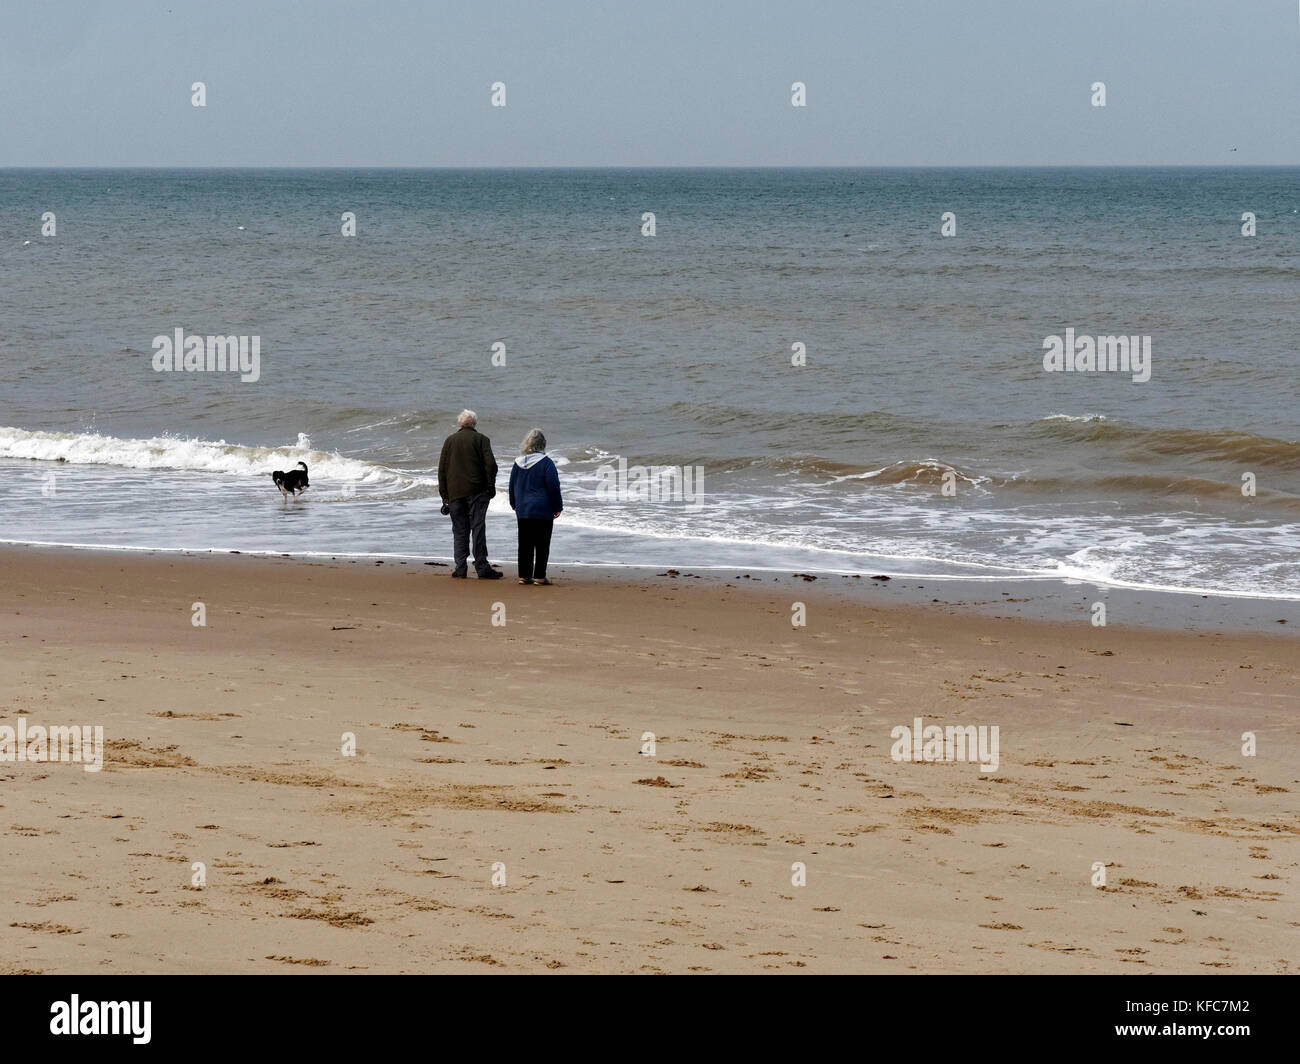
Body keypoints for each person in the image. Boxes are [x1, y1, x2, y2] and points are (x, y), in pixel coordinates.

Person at [438, 409, 502, 579]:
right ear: (474, 423)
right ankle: (481, 567)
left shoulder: (450, 441)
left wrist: (444, 494)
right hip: (477, 492)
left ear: (460, 423)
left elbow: (442, 470)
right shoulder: (482, 439)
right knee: (478, 528)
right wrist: (491, 486)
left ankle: (460, 568)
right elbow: (491, 465)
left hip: (454, 493)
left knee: (459, 530)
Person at [508, 428, 562, 585]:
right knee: (542, 544)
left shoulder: (517, 463)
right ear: (543, 444)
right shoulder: (546, 463)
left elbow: (512, 485)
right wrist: (557, 506)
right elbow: (553, 486)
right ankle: (539, 576)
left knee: (524, 544)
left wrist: (514, 504)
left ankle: (524, 575)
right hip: (542, 509)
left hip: (523, 509)